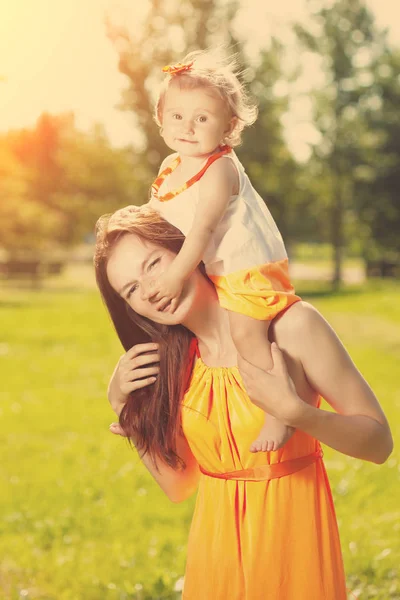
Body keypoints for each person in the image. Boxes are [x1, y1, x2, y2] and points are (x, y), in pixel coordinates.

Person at [94, 204, 393, 600]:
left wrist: (297, 414)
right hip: (215, 558)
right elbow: (179, 485)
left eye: (154, 264)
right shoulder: (174, 365)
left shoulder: (292, 326)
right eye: (131, 290)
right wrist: (123, 406)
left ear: (189, 250)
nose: (150, 290)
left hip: (292, 553)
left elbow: (379, 443)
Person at [147, 47, 301, 453]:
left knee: (246, 334)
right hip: (217, 269)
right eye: (177, 116)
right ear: (161, 118)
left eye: (203, 119)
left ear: (228, 128)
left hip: (248, 267)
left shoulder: (219, 169)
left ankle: (279, 411)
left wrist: (176, 273)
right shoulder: (171, 165)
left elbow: (201, 230)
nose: (188, 127)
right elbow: (157, 211)